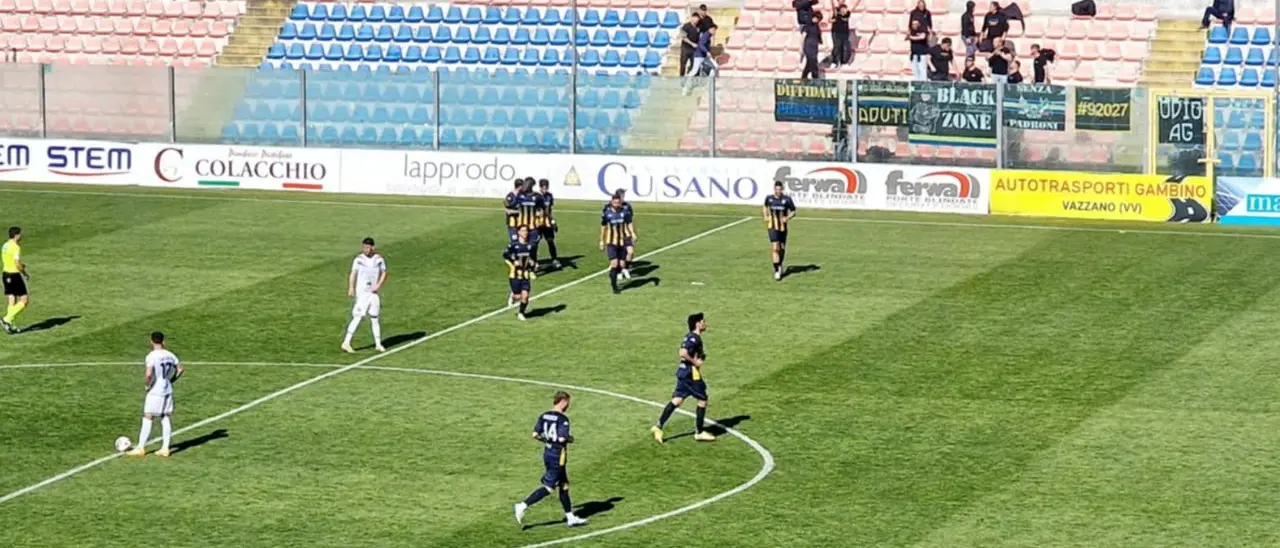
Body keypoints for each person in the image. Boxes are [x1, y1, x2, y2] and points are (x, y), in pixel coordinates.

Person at [513, 391, 588, 528]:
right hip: (558, 456)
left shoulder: (544, 416)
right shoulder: (563, 419)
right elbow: (561, 438)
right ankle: (523, 505)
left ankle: (570, 517)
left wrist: (547, 441)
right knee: (549, 487)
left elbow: (535, 435)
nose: (568, 406)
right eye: (568, 403)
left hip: (548, 452)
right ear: (563, 401)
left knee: (564, 485)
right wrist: (569, 439)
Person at [651, 313, 716, 443]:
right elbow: (682, 352)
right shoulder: (694, 338)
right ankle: (699, 432)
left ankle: (658, 426)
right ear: (698, 323)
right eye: (703, 321)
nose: (705, 323)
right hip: (690, 374)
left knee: (677, 400)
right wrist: (695, 361)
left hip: (683, 372)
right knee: (702, 399)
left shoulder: (690, 337)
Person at [126, 331, 184, 458]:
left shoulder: (152, 356)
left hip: (156, 390)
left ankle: (141, 447)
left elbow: (148, 374)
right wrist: (172, 379)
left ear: (151, 341)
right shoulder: (170, 355)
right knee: (165, 416)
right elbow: (180, 369)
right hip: (167, 388)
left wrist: (147, 385)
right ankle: (165, 448)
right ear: (163, 341)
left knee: (148, 416)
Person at [342, 237, 387, 353]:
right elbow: (353, 273)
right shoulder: (358, 260)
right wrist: (351, 287)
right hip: (362, 293)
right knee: (358, 316)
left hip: (373, 293)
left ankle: (378, 343)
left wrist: (378, 285)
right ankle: (346, 342)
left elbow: (384, 272)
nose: (365, 250)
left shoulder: (379, 259)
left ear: (373, 247)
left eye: (367, 247)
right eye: (364, 247)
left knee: (375, 317)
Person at [763, 181, 797, 280]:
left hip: (782, 227)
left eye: (780, 189)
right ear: (774, 189)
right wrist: (765, 216)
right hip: (772, 227)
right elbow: (765, 206)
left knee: (781, 248)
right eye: (776, 189)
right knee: (775, 247)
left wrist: (787, 218)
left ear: (782, 189)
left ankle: (780, 264)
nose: (778, 191)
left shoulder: (787, 199)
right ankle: (777, 270)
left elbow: (793, 211)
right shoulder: (769, 198)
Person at [599, 194, 632, 294]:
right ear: (611, 202)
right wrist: (601, 241)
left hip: (622, 242)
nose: (616, 204)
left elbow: (629, 222)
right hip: (611, 242)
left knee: (621, 265)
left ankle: (613, 275)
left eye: (618, 203)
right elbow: (603, 227)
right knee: (614, 264)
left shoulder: (624, 212)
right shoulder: (607, 214)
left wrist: (632, 233)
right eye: (614, 202)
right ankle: (614, 287)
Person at [504, 226, 536, 321]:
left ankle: (521, 313)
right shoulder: (514, 245)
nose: (525, 232)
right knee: (518, 296)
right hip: (515, 275)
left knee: (525, 296)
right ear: (518, 232)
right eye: (523, 231)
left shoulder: (530, 246)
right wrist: (513, 261)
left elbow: (532, 258)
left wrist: (533, 263)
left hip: (525, 275)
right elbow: (505, 254)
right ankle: (513, 295)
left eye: (526, 230)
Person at [1, 226, 28, 334]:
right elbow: (17, 263)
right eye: (20, 234)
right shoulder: (15, 247)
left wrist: (22, 264)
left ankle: (10, 324)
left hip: (5, 274)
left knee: (12, 298)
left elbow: (9, 259)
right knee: (24, 300)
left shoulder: (5, 245)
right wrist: (24, 272)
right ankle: (7, 319)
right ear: (16, 235)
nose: (21, 236)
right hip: (14, 275)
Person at [683, 25, 720, 94]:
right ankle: (686, 85)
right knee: (694, 71)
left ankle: (710, 85)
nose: (715, 32)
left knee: (715, 67)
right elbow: (701, 44)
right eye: (714, 30)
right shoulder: (706, 35)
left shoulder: (708, 35)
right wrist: (707, 52)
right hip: (699, 56)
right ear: (711, 29)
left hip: (703, 56)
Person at [534, 179, 560, 269]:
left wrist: (553, 221)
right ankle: (534, 261)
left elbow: (549, 210)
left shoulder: (549, 196)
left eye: (546, 187)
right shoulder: (536, 196)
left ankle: (554, 259)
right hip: (537, 223)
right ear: (540, 187)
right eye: (543, 187)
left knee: (550, 241)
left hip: (547, 223)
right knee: (535, 242)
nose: (545, 189)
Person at [801, 11, 823, 79]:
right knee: (813, 63)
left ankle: (803, 78)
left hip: (814, 47)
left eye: (818, 19)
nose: (817, 20)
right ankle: (815, 78)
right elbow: (803, 36)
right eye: (816, 18)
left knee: (809, 64)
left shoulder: (817, 27)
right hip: (808, 46)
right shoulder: (808, 25)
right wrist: (801, 47)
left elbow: (819, 38)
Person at [679, 13, 702, 77]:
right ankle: (681, 80)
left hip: (694, 50)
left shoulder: (698, 27)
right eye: (695, 18)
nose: (696, 20)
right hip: (685, 48)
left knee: (693, 65)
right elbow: (683, 37)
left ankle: (691, 80)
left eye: (697, 19)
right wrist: (692, 44)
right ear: (692, 18)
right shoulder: (685, 26)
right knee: (683, 64)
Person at [830, 2, 852, 67]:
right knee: (837, 47)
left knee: (846, 48)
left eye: (845, 9)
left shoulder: (847, 14)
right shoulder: (837, 15)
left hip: (845, 34)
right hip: (837, 33)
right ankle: (835, 61)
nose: (844, 11)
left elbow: (846, 17)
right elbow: (832, 19)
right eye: (842, 9)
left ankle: (844, 61)